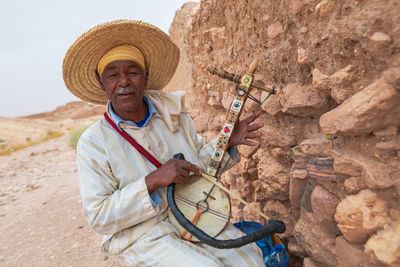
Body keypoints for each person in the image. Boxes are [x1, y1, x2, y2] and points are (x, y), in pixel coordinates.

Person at [63, 20, 265, 266]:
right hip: (142, 233)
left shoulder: (173, 115)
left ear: (145, 76)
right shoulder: (94, 143)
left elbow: (200, 169)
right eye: (113, 75)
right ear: (102, 82)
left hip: (193, 213)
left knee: (249, 258)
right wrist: (153, 180)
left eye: (133, 72)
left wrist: (226, 143)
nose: (124, 81)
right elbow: (99, 216)